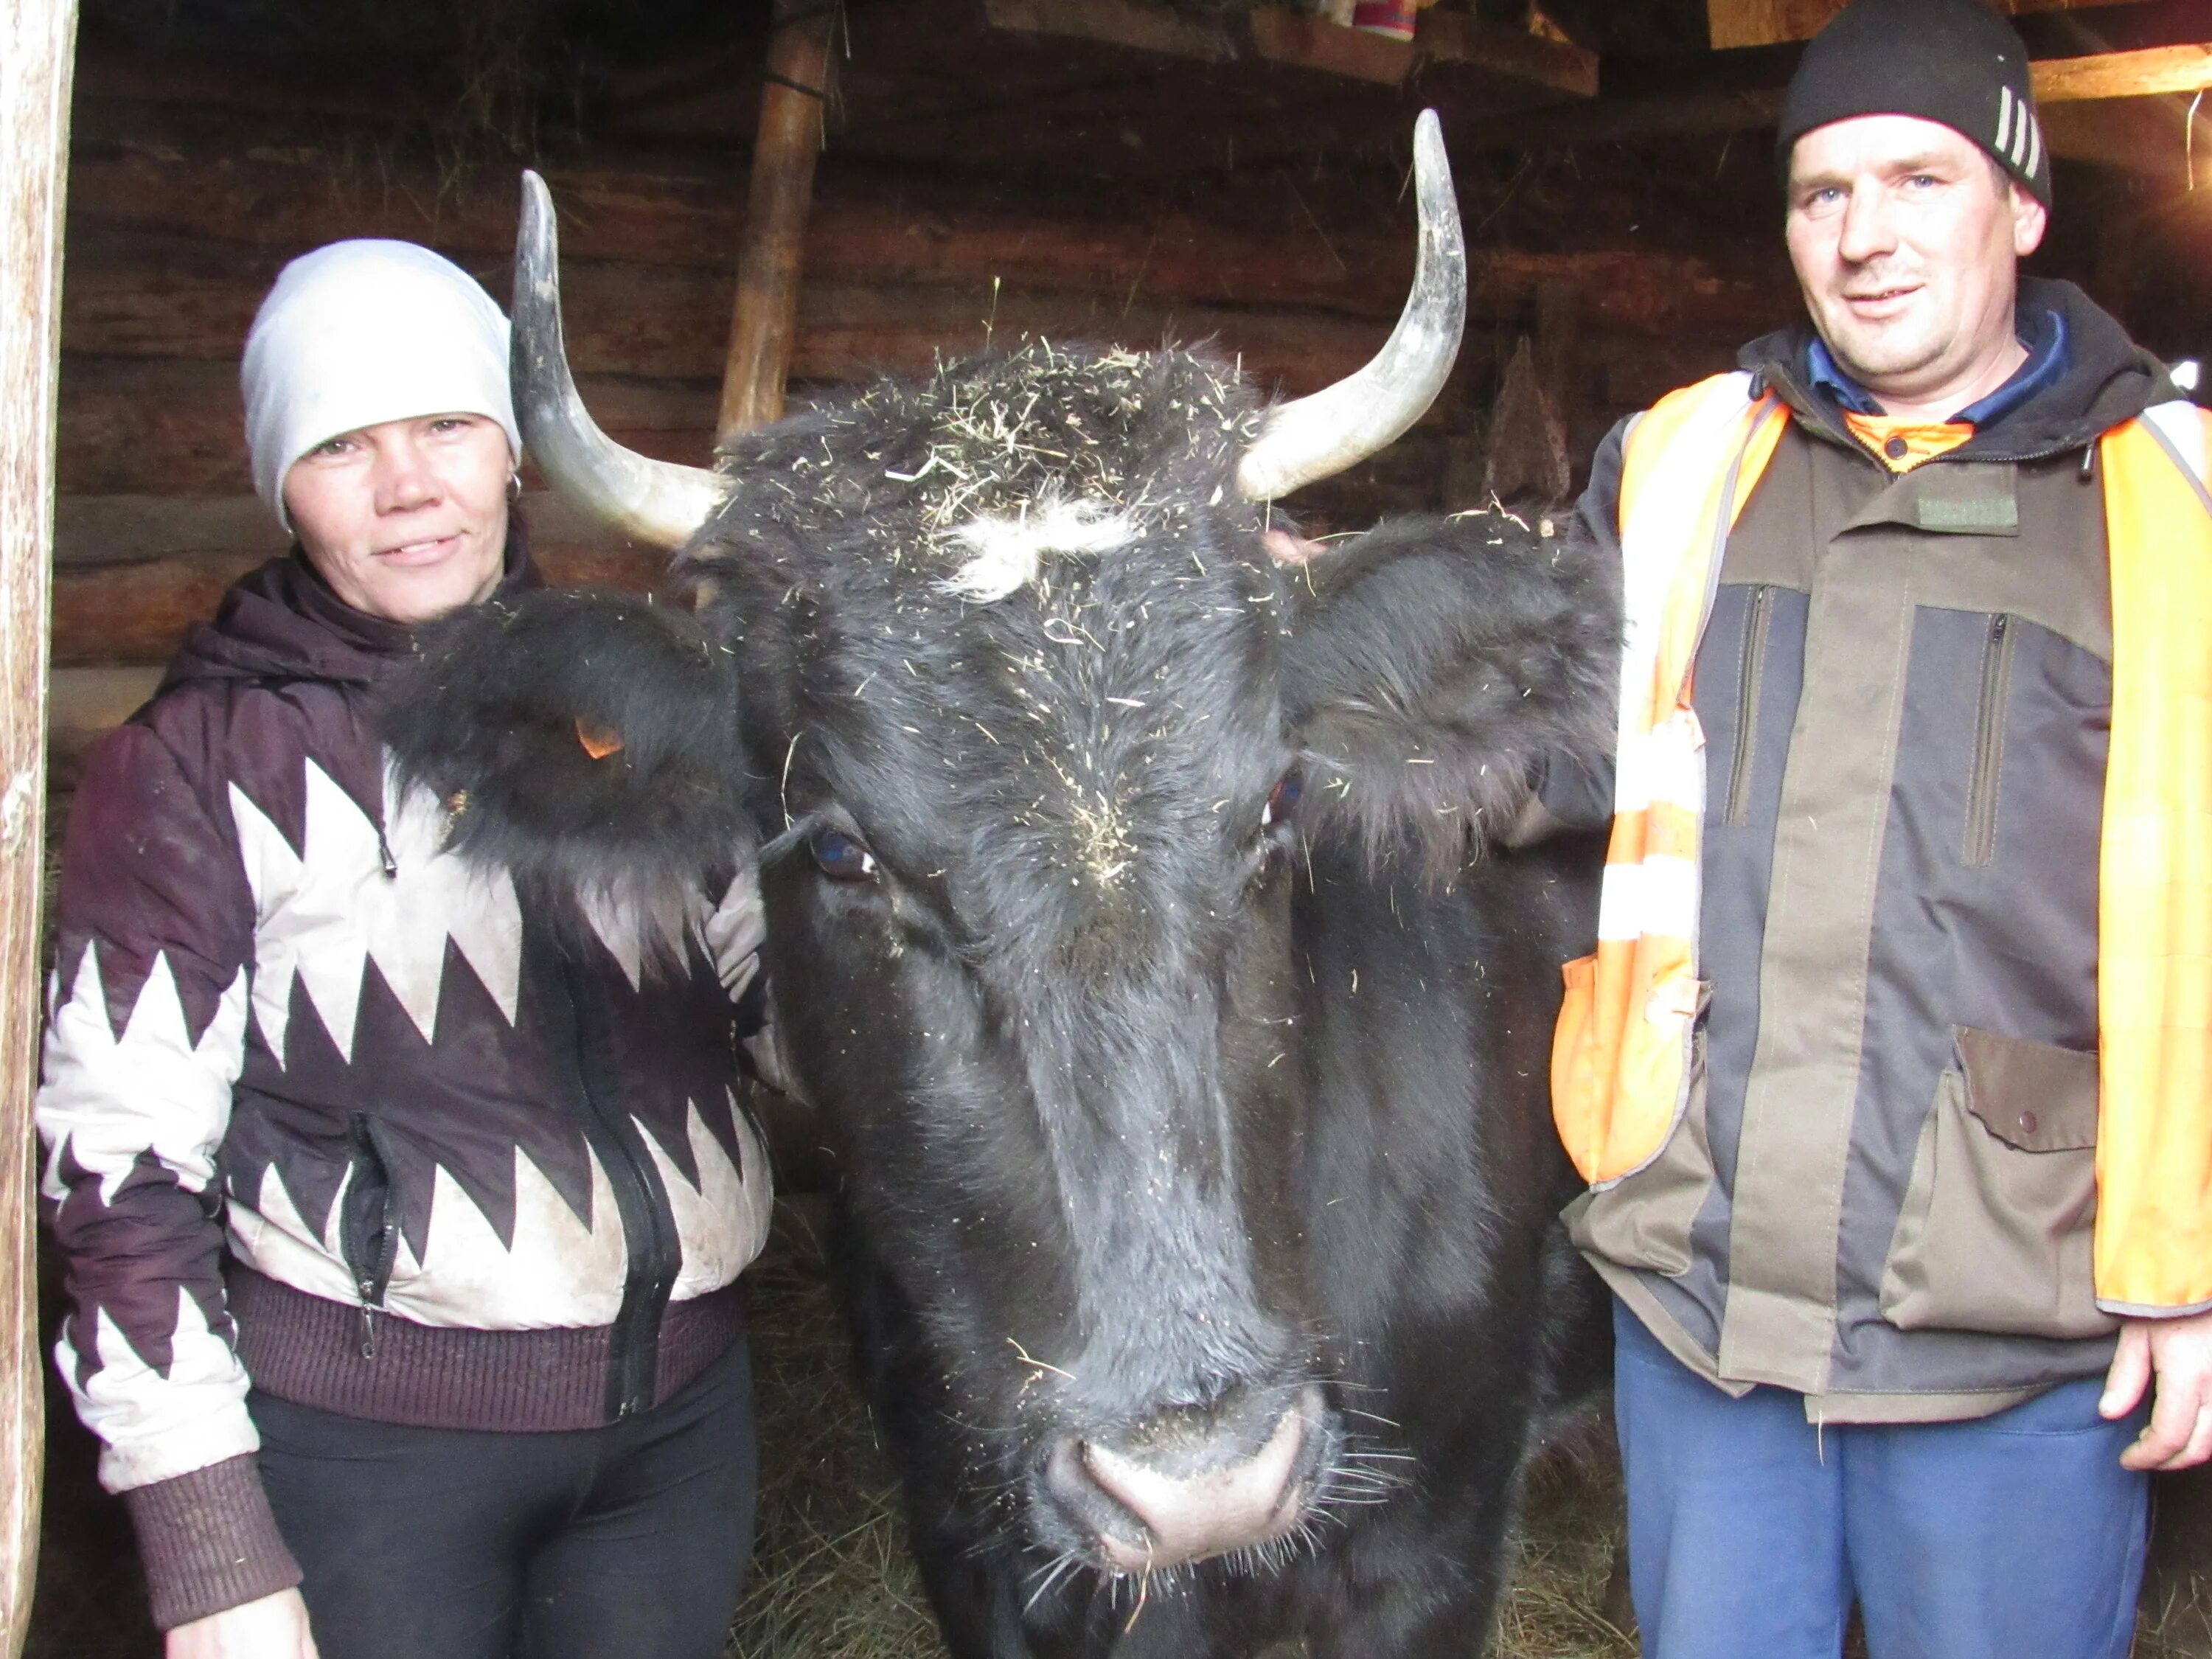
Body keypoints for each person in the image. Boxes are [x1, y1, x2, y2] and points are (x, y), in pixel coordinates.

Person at [1545, 1, 2212, 1655]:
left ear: (2025, 209)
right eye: (1820, 193)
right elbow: (1529, 759)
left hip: (2021, 1322)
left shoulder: (2174, 499)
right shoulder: (1683, 466)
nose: (1864, 236)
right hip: (1701, 1295)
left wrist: (2196, 1262)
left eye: (1919, 178)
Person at [37, 240, 773, 1659]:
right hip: (368, 1455)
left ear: (510, 448)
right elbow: (119, 1177)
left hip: (681, 1431)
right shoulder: (195, 764)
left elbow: (782, 1010)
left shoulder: (647, 703)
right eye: (340, 444)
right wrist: (210, 1553)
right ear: (281, 483)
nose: (409, 486)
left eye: (446, 424)